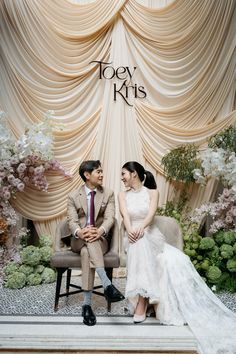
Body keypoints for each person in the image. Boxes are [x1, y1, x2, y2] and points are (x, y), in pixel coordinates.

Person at [118, 161, 236, 354]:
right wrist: (131, 231)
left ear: (133, 174)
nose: (121, 177)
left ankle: (142, 299)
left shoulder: (152, 192)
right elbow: (125, 216)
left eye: (124, 174)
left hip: (149, 233)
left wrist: (141, 230)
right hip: (132, 235)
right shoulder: (122, 195)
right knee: (137, 244)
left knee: (142, 242)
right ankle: (143, 298)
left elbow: (150, 215)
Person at [67, 160, 124, 326]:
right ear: (87, 175)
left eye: (102, 171)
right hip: (78, 239)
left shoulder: (108, 193)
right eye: (98, 172)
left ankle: (86, 305)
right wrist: (80, 232)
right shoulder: (72, 196)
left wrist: (99, 231)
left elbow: (110, 218)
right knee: (86, 243)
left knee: (88, 251)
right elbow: (71, 221)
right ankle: (107, 285)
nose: (102, 175)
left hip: (100, 240)